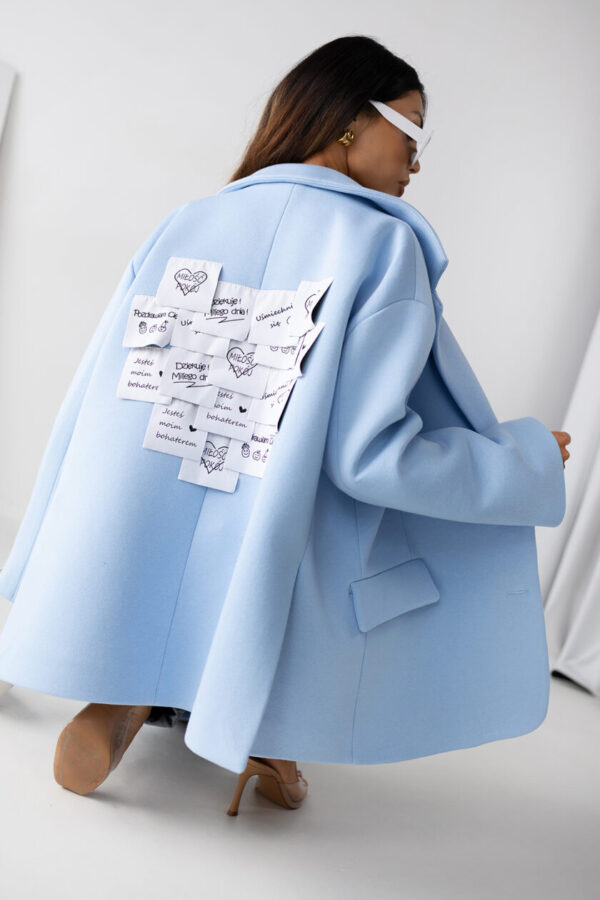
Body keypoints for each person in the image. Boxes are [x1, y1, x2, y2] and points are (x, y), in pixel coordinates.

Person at [0, 36, 571, 814]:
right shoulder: (382, 244)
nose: (416, 161)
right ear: (349, 120)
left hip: (138, 522)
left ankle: (130, 687)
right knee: (295, 533)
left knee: (205, 526)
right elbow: (370, 455)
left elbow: (100, 397)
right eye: (411, 132)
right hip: (277, 549)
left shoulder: (189, 222)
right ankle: (265, 727)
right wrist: (519, 460)